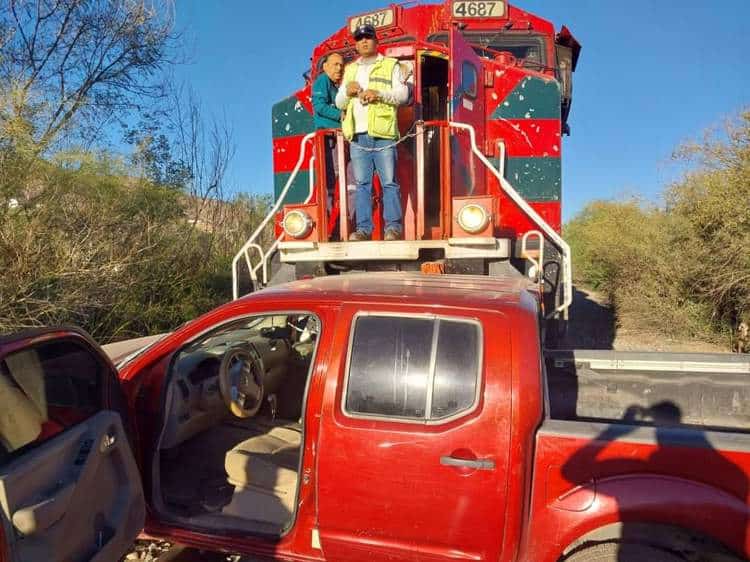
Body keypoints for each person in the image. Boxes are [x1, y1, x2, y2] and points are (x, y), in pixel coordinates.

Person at [335, 24, 408, 241]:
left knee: (389, 182)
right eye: (359, 39)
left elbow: (402, 95)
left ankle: (393, 228)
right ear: (356, 44)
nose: (363, 41)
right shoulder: (350, 70)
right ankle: (363, 230)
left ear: (376, 41)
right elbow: (339, 102)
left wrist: (378, 94)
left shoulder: (390, 65)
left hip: (383, 133)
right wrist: (347, 92)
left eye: (367, 37)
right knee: (362, 185)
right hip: (358, 135)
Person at [312, 52, 344, 213]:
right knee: (328, 179)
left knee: (335, 178)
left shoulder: (336, 86)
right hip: (327, 139)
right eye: (335, 64)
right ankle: (328, 216)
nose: (339, 68)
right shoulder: (322, 81)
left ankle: (334, 215)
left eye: (341, 65)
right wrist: (342, 116)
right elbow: (319, 106)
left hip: (336, 138)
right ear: (325, 66)